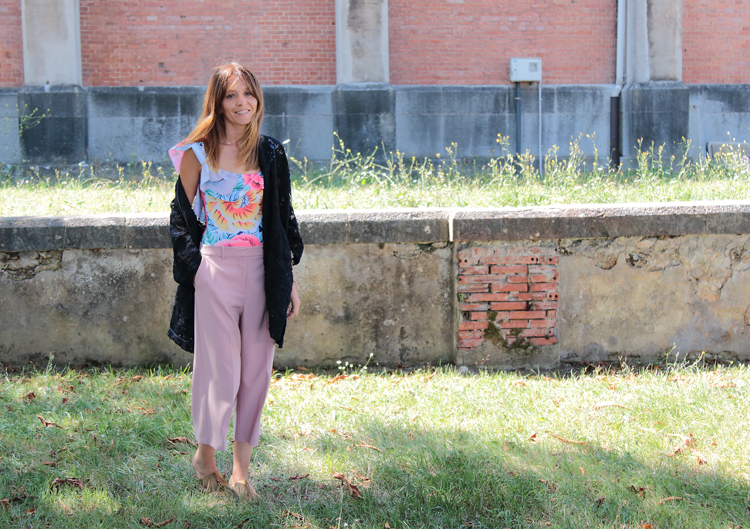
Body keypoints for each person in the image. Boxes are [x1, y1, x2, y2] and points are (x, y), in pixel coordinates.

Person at [166, 61, 304, 501]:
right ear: (218, 102)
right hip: (215, 271)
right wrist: (199, 270)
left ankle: (241, 472)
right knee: (221, 373)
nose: (242, 102)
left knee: (256, 374)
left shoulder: (270, 152)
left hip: (263, 272)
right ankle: (205, 457)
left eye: (248, 93)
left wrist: (288, 280)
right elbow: (180, 220)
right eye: (231, 95)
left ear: (257, 98)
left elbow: (282, 218)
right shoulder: (196, 154)